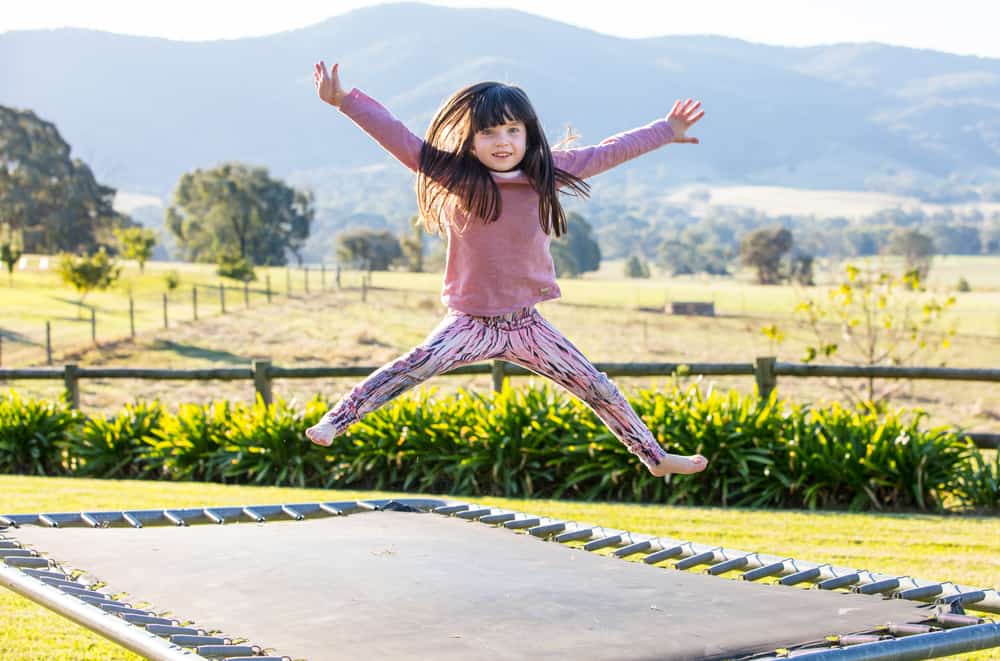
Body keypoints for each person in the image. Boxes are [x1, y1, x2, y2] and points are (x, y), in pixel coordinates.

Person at [307, 60, 707, 479]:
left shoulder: (547, 174)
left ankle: (655, 458)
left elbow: (608, 151)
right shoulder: (458, 177)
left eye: (513, 130)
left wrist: (666, 130)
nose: (503, 142)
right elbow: (400, 139)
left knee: (596, 386)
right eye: (490, 132)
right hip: (469, 323)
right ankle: (337, 419)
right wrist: (343, 101)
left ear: (528, 134)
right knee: (414, 366)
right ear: (472, 141)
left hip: (527, 326)